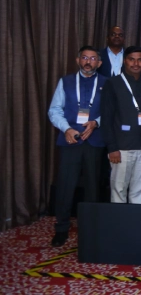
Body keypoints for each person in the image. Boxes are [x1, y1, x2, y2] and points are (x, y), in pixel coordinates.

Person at [48, 46, 107, 246]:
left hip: (94, 140)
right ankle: (61, 229)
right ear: (78, 60)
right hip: (70, 140)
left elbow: (111, 111)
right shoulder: (65, 81)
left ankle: (90, 230)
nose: (88, 61)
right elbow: (55, 109)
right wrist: (66, 129)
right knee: (65, 186)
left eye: (93, 58)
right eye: (85, 57)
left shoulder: (107, 83)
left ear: (99, 62)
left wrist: (96, 122)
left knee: (93, 188)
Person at [101, 46, 141, 204]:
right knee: (119, 190)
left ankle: (136, 220)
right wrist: (112, 147)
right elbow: (106, 118)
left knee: (139, 190)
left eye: (140, 60)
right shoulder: (112, 84)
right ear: (124, 61)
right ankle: (119, 220)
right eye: (131, 59)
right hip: (121, 148)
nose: (136, 63)